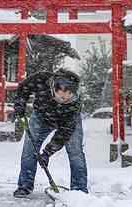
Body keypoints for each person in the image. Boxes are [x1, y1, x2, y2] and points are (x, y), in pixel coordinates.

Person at [13, 68, 88, 197]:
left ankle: (79, 190)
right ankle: (25, 186)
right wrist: (20, 104)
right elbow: (23, 88)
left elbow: (64, 133)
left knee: (75, 152)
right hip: (41, 118)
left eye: (68, 96)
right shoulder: (42, 79)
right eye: (61, 96)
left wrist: (47, 153)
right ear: (53, 88)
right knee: (29, 150)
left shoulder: (74, 105)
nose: (64, 100)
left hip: (66, 122)